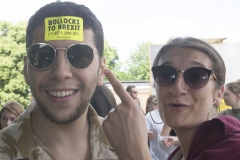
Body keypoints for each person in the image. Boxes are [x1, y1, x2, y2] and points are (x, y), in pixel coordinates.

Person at [0, 2, 118, 159]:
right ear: (26, 70)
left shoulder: (125, 146)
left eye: (79, 56)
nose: (61, 72)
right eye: (43, 56)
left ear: (101, 70)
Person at [102, 37, 240, 160]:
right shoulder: (179, 154)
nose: (176, 89)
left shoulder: (233, 151)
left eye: (197, 76)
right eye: (165, 74)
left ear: (218, 94)